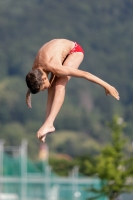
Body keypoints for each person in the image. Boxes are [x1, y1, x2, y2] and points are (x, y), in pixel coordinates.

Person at [25, 39, 120, 142]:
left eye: (42, 88)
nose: (43, 90)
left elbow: (85, 74)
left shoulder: (54, 67)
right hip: (55, 55)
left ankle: (49, 124)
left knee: (59, 85)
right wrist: (29, 91)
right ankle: (47, 124)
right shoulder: (35, 70)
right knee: (50, 87)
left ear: (43, 78)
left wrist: (107, 86)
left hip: (74, 51)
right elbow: (34, 80)